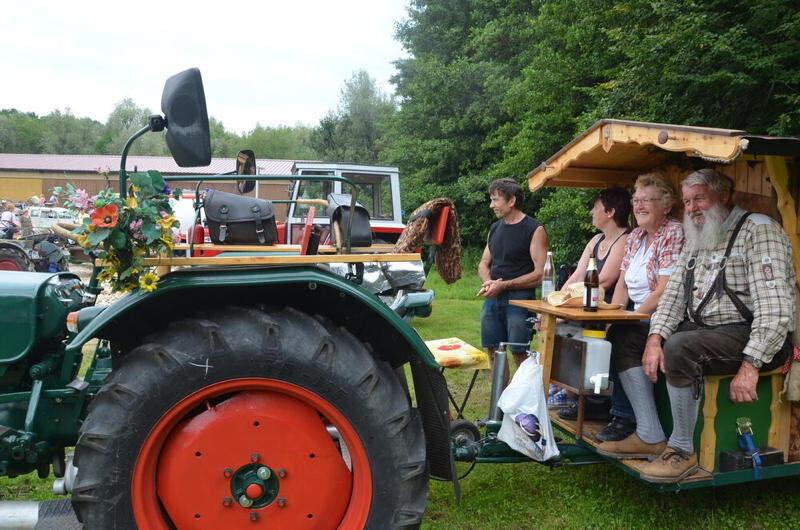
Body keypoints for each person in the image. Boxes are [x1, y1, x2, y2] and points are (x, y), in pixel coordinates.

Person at [603, 169, 795, 482]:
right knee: (627, 334)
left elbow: (775, 309)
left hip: (754, 337)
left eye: (699, 199)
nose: (691, 208)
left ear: (723, 196)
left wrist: (751, 365)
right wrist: (654, 338)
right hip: (707, 332)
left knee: (680, 346)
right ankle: (650, 435)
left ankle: (682, 450)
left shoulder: (758, 231)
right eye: (688, 201)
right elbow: (674, 295)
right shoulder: (699, 235)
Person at [592, 173, 684, 451]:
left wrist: (629, 318)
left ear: (666, 206)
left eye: (647, 200)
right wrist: (614, 315)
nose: (639, 206)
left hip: (666, 315)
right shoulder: (635, 236)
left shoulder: (673, 231)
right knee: (600, 333)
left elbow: (664, 290)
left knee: (621, 335)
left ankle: (626, 419)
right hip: (636, 313)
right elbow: (623, 285)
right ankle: (595, 404)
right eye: (636, 200)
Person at [548, 188, 633, 428]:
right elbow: (576, 275)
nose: (591, 212)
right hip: (585, 310)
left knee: (578, 336)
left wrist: (567, 307)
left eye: (595, 207)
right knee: (554, 328)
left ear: (611, 211)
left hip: (608, 312)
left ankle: (593, 401)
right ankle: (567, 390)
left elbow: (604, 280)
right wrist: (557, 301)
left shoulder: (625, 239)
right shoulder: (596, 240)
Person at [478, 178, 548, 382]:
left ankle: (523, 405)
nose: (491, 205)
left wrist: (505, 285)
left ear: (511, 201)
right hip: (493, 298)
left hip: (520, 299)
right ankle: (498, 406)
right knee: (493, 351)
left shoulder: (534, 229)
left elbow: (540, 274)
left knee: (519, 353)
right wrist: (489, 282)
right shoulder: (495, 228)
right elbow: (483, 263)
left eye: (495, 200)